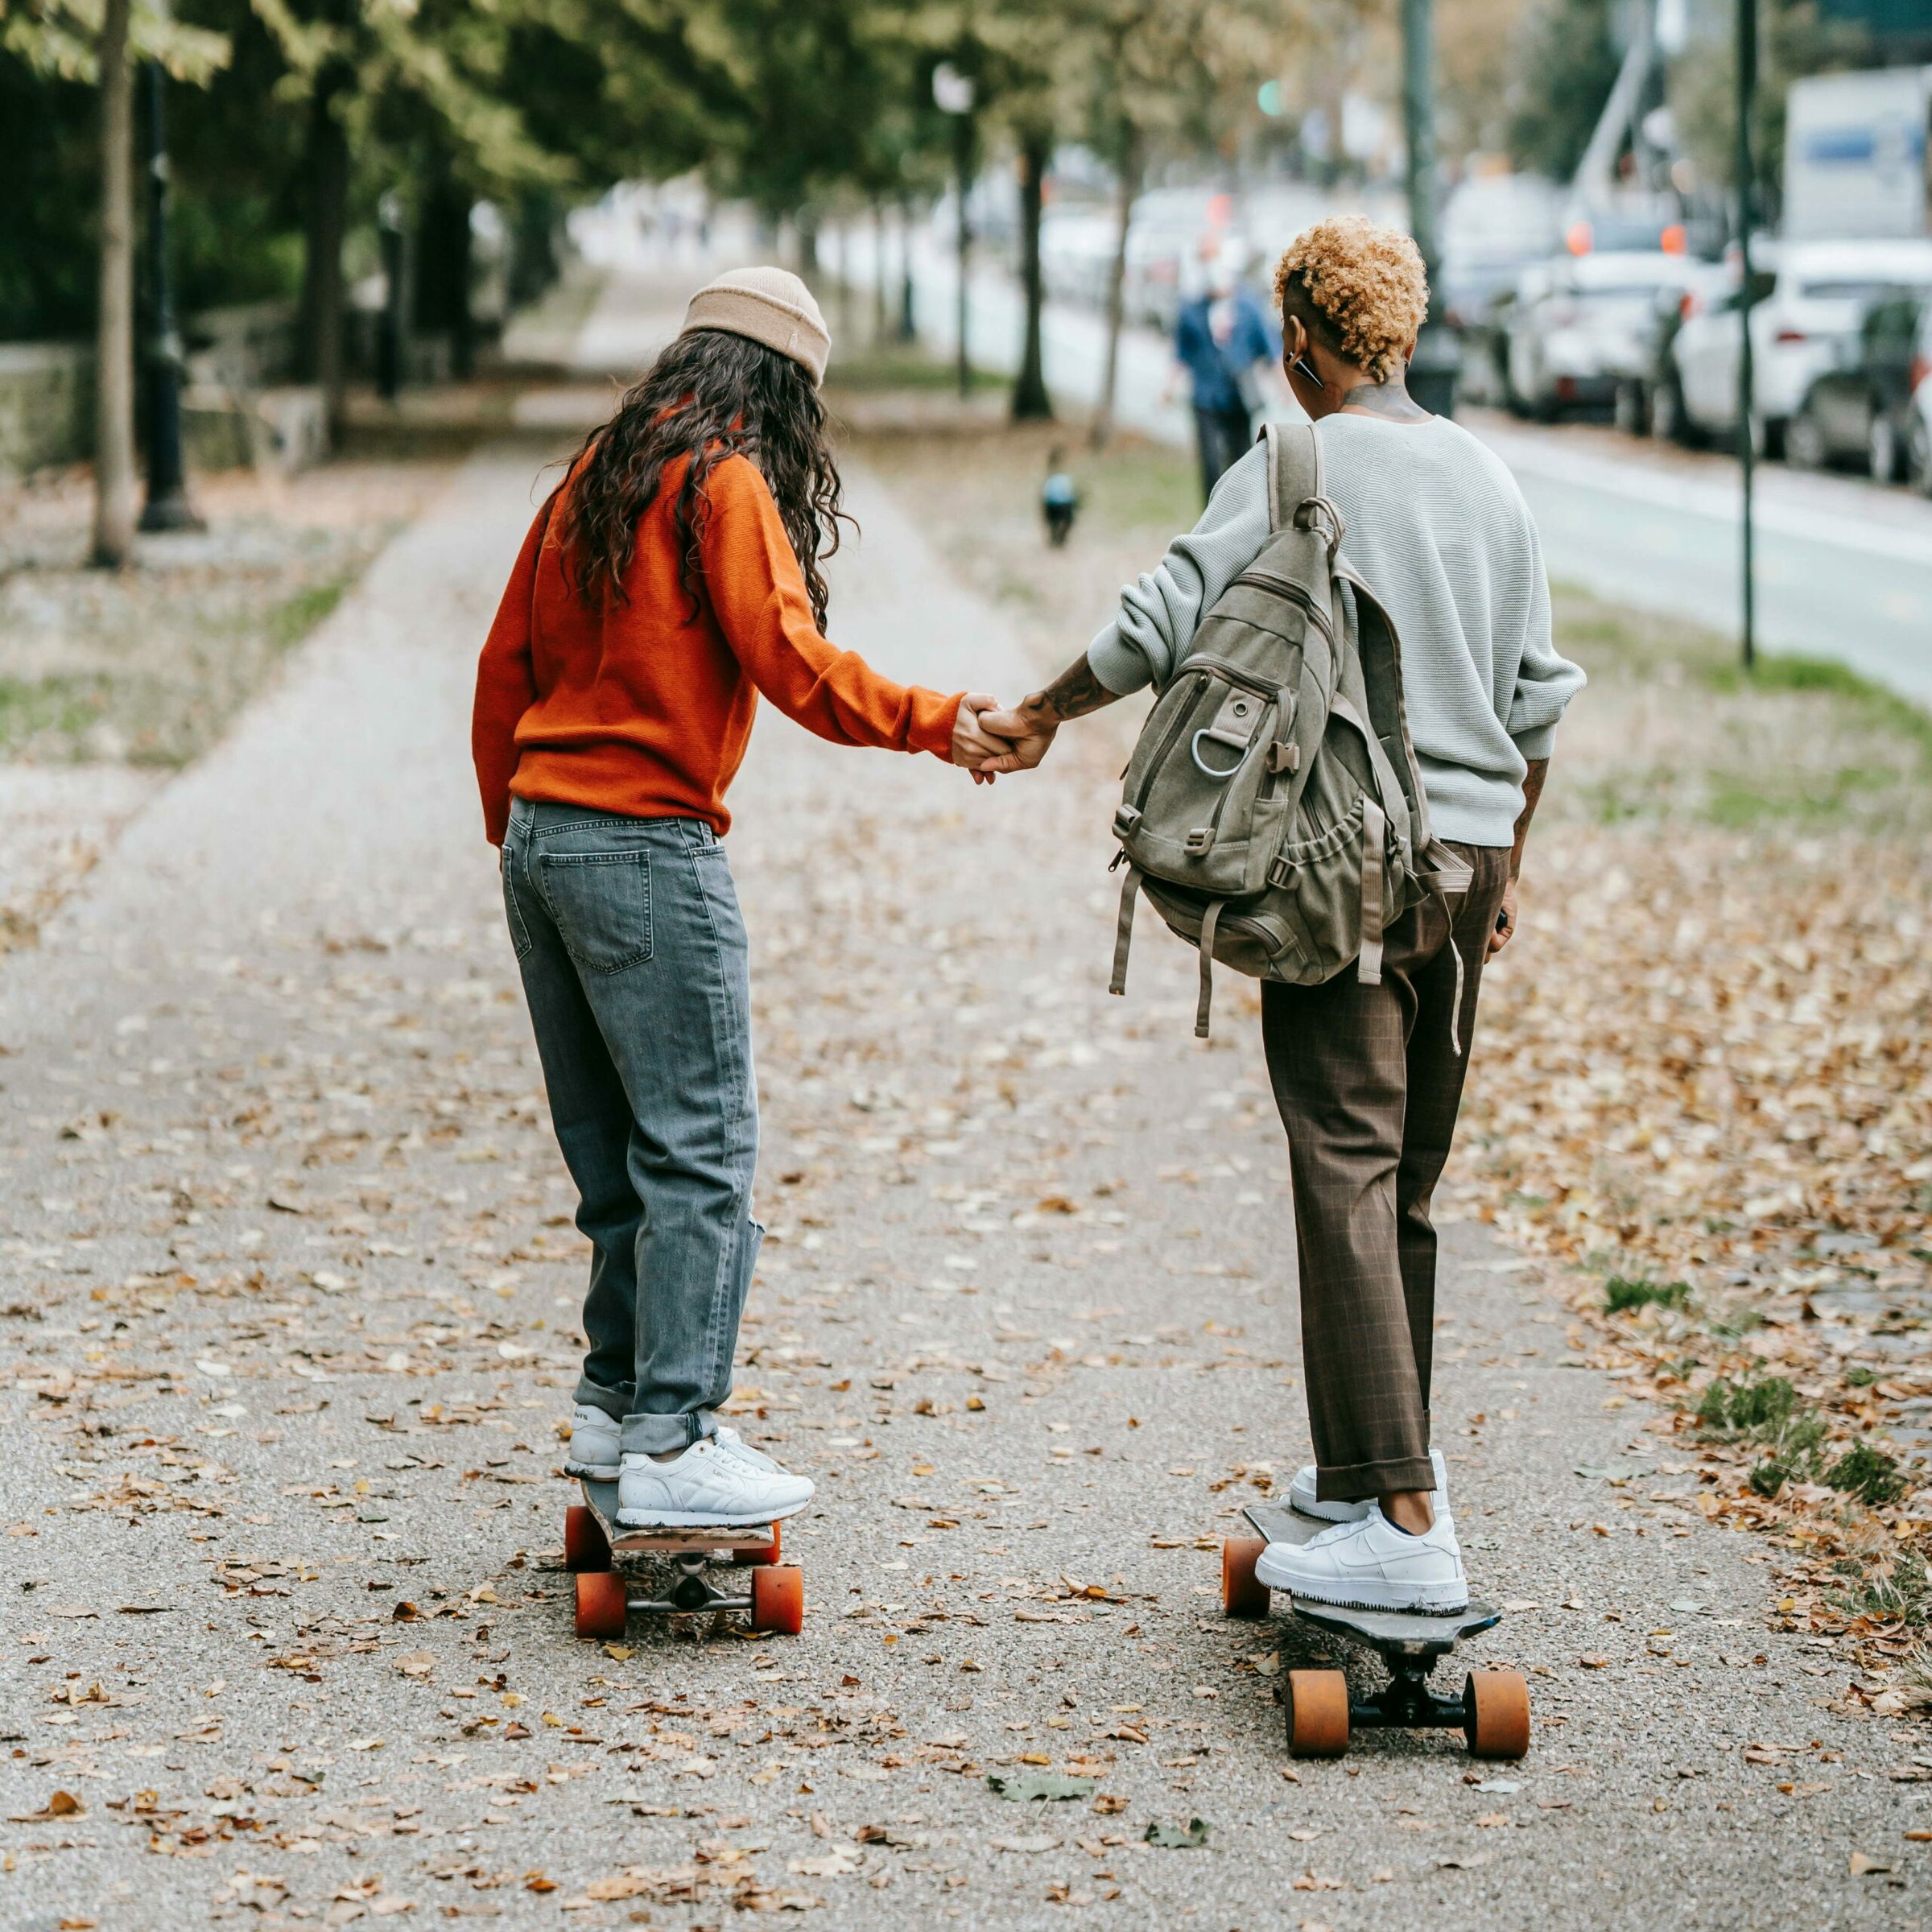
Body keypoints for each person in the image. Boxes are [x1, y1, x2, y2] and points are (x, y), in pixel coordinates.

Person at [980, 217, 1585, 1612]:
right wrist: (1515, 862)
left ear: (1304, 343)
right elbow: (1538, 702)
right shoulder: (1492, 478)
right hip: (1475, 857)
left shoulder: (1296, 460)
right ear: (1407, 336)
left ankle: (1409, 1524)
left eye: (1282, 342)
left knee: (1344, 1163)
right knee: (1407, 1182)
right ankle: (1368, 1474)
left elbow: (1165, 615)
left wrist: (1043, 713)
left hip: (1349, 865)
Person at [472, 267, 1013, 1530]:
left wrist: (521, 836)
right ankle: (676, 1438)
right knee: (701, 1153)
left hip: (544, 845)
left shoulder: (593, 476)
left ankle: (613, 1414)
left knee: (613, 1158)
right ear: (782, 390)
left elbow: (506, 664)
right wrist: (946, 723)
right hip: (647, 846)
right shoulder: (724, 482)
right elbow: (795, 664)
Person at [1169, 246, 1279, 503]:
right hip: (1205, 395)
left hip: (1238, 395)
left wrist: (1283, 387)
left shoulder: (1248, 307)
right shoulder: (1191, 309)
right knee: (1210, 459)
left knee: (1241, 457)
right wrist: (1169, 387)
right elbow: (1181, 353)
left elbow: (1268, 350)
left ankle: (1239, 510)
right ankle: (1210, 511)